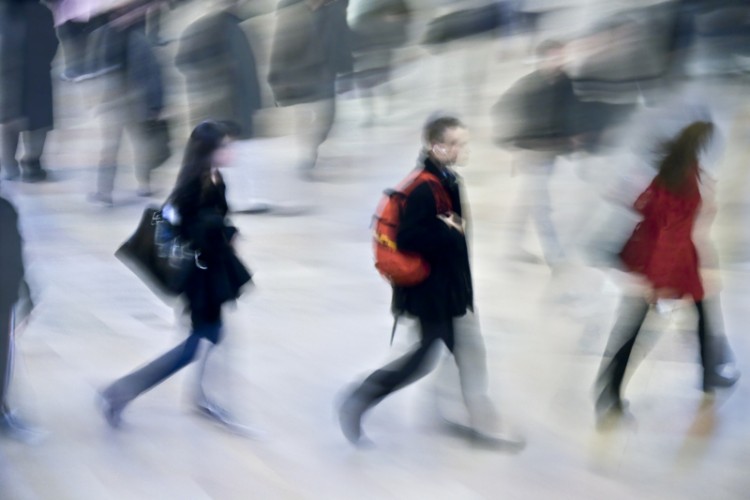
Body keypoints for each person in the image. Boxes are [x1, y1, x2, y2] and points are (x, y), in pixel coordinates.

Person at [338, 115, 522, 448]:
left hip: (448, 289)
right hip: (430, 292)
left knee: (467, 353)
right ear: (433, 145)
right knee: (424, 358)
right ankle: (361, 397)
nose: (459, 149)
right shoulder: (425, 186)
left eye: (462, 142)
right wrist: (446, 228)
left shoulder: (447, 179)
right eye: (452, 143)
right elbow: (410, 237)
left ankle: (467, 418)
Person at [100, 121, 254, 431]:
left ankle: (200, 398)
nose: (230, 150)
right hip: (201, 277)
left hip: (212, 272)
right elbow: (191, 227)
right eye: (225, 146)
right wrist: (225, 232)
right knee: (200, 340)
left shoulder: (214, 178)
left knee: (209, 336)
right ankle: (122, 391)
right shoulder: (194, 184)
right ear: (210, 151)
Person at [595, 121, 740, 420]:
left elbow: (643, 205)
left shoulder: (676, 169)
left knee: (698, 320)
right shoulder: (685, 179)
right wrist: (660, 283)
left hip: (670, 261)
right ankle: (610, 391)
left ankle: (707, 376)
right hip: (670, 265)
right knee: (637, 330)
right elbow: (669, 234)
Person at [493, 39, 582, 267]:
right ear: (542, 59)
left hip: (550, 153)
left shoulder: (564, 82)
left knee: (527, 200)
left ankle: (512, 246)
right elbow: (501, 109)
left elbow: (569, 113)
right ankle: (556, 258)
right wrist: (513, 143)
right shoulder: (528, 86)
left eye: (561, 56)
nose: (558, 61)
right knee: (541, 206)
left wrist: (571, 138)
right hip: (532, 154)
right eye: (553, 57)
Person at [88, 3, 167, 205]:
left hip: (132, 97)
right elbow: (97, 68)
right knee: (114, 146)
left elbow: (152, 72)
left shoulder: (136, 38)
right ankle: (105, 190)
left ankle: (143, 184)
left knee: (139, 144)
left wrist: (156, 103)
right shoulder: (109, 36)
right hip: (118, 97)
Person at [268, 0, 353, 176]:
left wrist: (347, 71)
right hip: (300, 77)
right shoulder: (291, 15)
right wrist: (276, 81)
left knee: (328, 118)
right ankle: (307, 155)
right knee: (305, 119)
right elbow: (279, 49)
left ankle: (314, 145)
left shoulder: (334, 11)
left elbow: (343, 40)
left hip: (326, 76)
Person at [175, 0, 262, 140]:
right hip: (233, 106)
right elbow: (246, 70)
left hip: (205, 104)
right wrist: (256, 103)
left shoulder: (195, 27)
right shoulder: (231, 27)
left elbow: (181, 61)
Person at [0, 0, 59, 183]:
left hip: (8, 76)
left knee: (10, 121)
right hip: (36, 74)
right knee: (37, 122)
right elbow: (52, 43)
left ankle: (9, 165)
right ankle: (32, 163)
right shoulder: (42, 11)